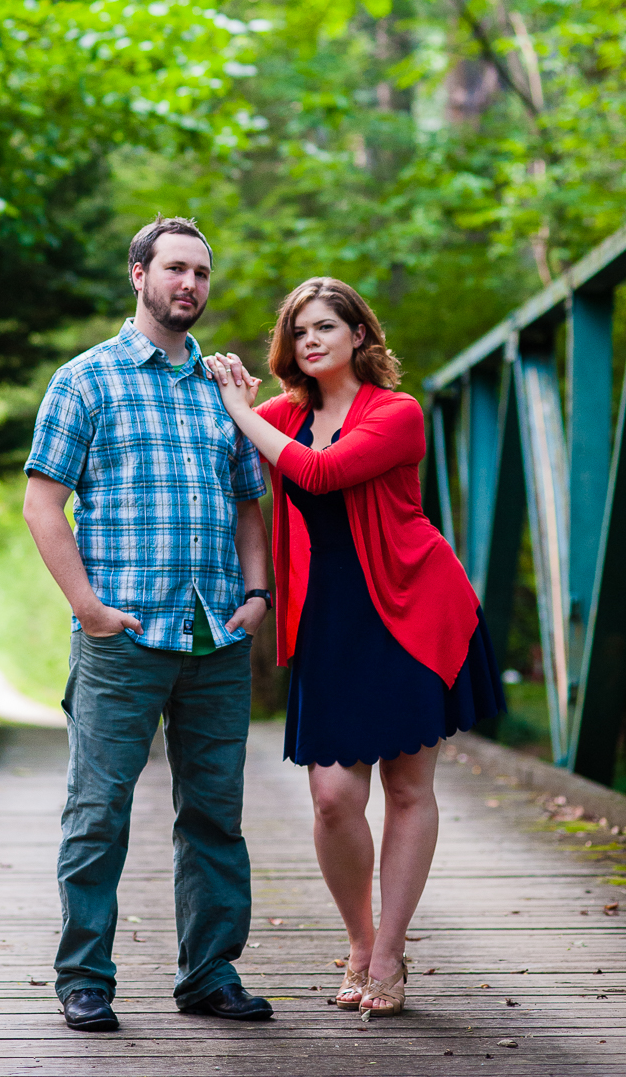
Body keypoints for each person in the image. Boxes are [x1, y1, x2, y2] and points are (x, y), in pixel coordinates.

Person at [207, 277, 505, 1020]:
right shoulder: (283, 413)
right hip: (331, 622)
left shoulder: (398, 415)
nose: (310, 340)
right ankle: (359, 939)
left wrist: (243, 410)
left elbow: (319, 471)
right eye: (299, 330)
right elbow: (228, 441)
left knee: (407, 789)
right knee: (334, 798)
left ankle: (389, 952)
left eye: (325, 328)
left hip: (411, 610)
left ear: (359, 338)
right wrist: (225, 393)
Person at [23, 216, 275, 1033]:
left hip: (215, 636)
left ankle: (210, 975)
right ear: (139, 275)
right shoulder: (85, 381)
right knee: (97, 810)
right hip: (122, 637)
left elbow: (248, 504)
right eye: (174, 270)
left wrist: (258, 595)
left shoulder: (223, 388)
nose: (190, 286)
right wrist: (89, 610)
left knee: (214, 815)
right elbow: (42, 505)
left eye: (201, 273)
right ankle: (84, 977)